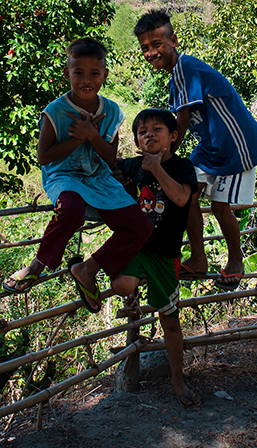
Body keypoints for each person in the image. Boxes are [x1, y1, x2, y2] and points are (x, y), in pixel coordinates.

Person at [4, 38, 152, 312]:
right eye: (78, 73)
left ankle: (88, 269)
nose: (87, 80)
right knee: (70, 209)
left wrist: (92, 135)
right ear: (67, 73)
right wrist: (78, 138)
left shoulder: (111, 111)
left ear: (105, 75)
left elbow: (109, 157)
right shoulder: (55, 112)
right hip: (64, 175)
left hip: (98, 177)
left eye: (94, 73)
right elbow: (44, 157)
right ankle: (39, 264)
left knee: (141, 227)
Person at [134, 10, 257, 290]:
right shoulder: (176, 75)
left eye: (157, 44)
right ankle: (199, 259)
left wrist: (163, 157)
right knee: (187, 196)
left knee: (221, 207)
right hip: (209, 147)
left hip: (235, 145)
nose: (151, 52)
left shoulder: (186, 68)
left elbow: (182, 120)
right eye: (145, 48)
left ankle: (236, 261)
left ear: (173, 41)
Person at [111, 109, 201, 408]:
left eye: (156, 129)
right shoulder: (133, 166)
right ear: (136, 140)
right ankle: (84, 272)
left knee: (170, 321)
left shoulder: (182, 166)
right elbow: (107, 166)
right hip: (136, 247)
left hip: (165, 253)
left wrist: (158, 168)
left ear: (173, 136)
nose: (148, 134)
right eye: (142, 131)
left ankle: (178, 380)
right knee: (123, 285)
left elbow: (180, 198)